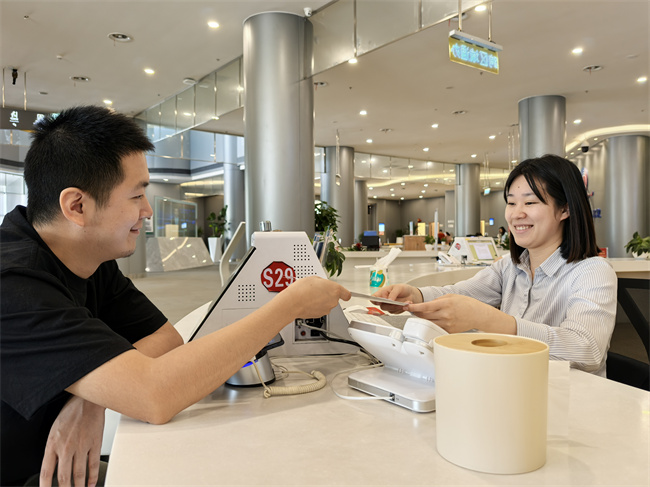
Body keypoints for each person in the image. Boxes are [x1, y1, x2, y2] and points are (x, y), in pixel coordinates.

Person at [0, 106, 351, 487]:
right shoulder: (14, 283)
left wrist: (92, 396)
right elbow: (154, 396)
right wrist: (290, 304)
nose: (147, 210)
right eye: (137, 195)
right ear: (77, 206)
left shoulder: (88, 258)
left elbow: (166, 338)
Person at [374, 154, 617, 377]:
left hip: (568, 399)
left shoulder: (592, 271)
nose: (516, 214)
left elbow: (587, 350)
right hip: (510, 388)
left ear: (565, 209)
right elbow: (460, 293)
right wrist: (415, 296)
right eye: (511, 203)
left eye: (530, 203)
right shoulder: (510, 267)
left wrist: (491, 320)